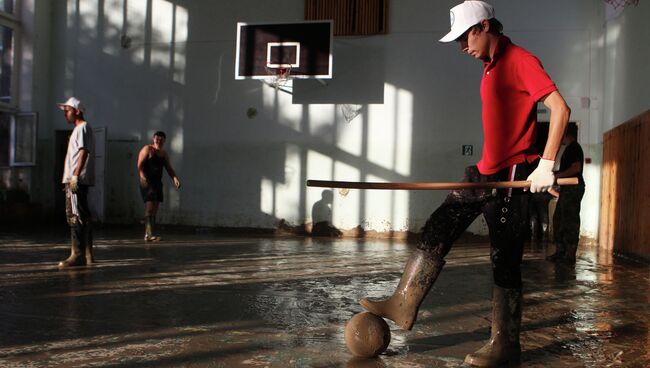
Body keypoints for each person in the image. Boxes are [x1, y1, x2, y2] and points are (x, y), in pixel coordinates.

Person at [358, 2, 570, 367]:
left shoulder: (520, 59)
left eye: (464, 38)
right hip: (484, 172)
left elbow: (560, 108)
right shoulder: (490, 67)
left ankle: (505, 345)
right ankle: (404, 302)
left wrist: (545, 165)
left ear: (484, 26)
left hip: (511, 175)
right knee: (439, 227)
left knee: (504, 260)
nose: (461, 47)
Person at [58, 97, 96, 268]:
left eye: (68, 110)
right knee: (83, 215)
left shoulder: (81, 128)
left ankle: (77, 255)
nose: (65, 114)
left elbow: (83, 153)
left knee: (74, 216)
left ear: (77, 111)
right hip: (79, 178)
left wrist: (74, 175)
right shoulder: (81, 129)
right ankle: (88, 255)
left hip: (76, 180)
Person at [547, 126, 585, 263]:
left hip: (573, 187)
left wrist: (557, 176)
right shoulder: (569, 149)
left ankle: (569, 255)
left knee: (570, 220)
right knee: (559, 219)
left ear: (565, 134)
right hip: (566, 188)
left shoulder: (574, 147)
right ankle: (560, 251)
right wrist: (556, 175)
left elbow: (576, 168)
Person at [137, 131, 181, 241]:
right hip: (147, 182)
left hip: (157, 183)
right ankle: (147, 234)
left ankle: (150, 233)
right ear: (153, 139)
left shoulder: (163, 154)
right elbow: (140, 165)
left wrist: (175, 179)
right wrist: (142, 177)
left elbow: (169, 168)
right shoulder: (147, 149)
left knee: (155, 208)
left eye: (161, 140)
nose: (159, 141)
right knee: (149, 207)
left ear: (164, 141)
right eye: (157, 139)